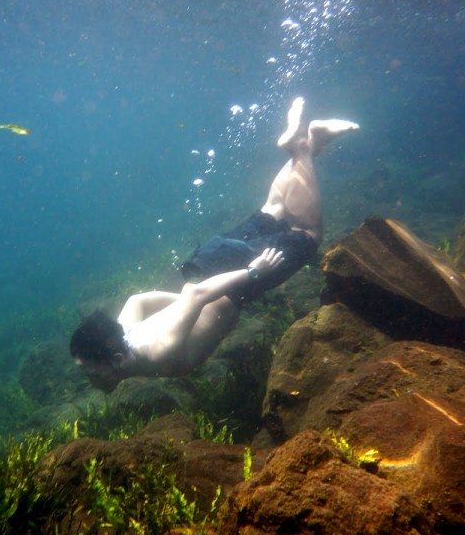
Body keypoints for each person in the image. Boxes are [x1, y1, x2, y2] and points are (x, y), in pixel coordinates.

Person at [70, 98, 359, 392]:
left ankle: (301, 147)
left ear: (117, 359)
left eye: (91, 375)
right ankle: (312, 143)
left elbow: (196, 295)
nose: (91, 383)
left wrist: (253, 272)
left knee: (307, 234)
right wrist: (182, 305)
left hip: (231, 279)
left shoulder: (158, 351)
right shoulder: (126, 332)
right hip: (208, 261)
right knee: (272, 209)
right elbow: (137, 301)